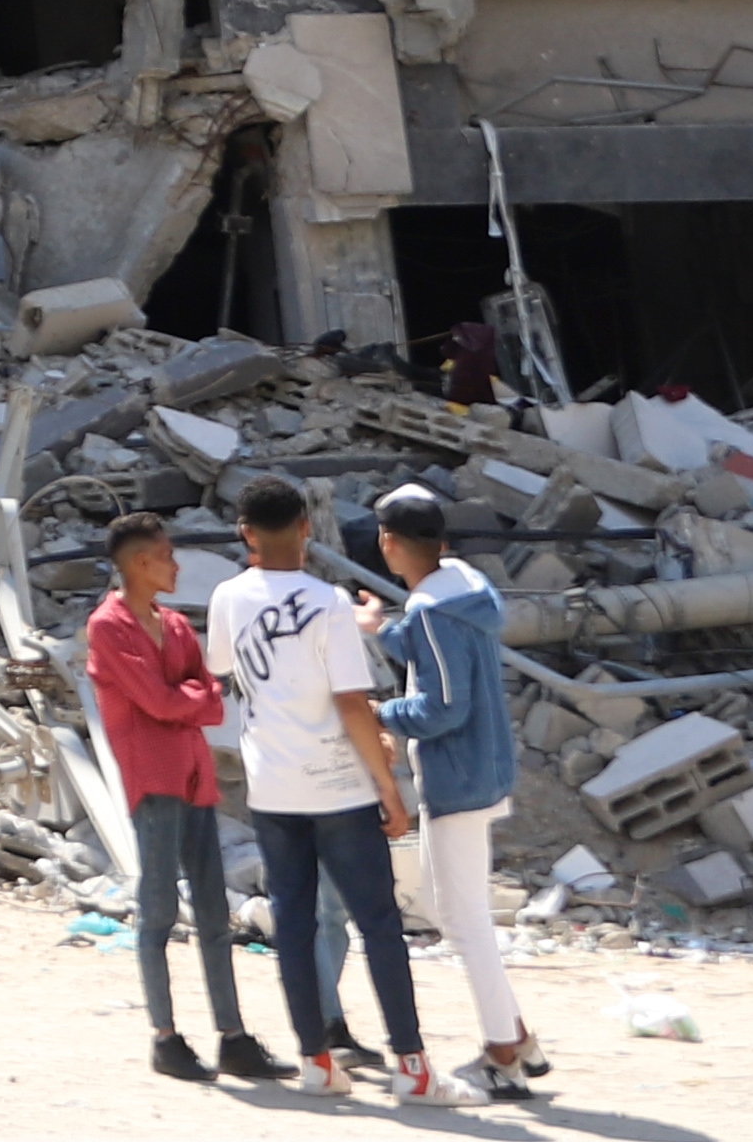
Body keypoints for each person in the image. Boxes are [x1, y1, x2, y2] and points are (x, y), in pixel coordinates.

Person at [210, 470, 437, 1098]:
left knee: (295, 924)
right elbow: (350, 702)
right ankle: (412, 1067)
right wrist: (388, 786)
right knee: (379, 924)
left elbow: (224, 673)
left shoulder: (228, 597)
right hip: (338, 789)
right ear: (307, 528)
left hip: (272, 789)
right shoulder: (328, 601)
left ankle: (316, 1062)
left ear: (244, 533)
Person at [85, 507, 285, 1082]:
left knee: (214, 911)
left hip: (194, 775)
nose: (176, 565)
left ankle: (232, 1035)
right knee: (158, 911)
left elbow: (209, 697)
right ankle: (166, 1037)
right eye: (168, 556)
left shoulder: (171, 625)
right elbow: (165, 701)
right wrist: (189, 697)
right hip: (153, 779)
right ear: (142, 563)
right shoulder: (109, 625)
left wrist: (187, 697)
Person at [369, 488, 544, 1100]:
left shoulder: (431, 613)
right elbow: (439, 653)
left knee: (461, 920)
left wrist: (380, 713)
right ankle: (517, 1035)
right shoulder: (464, 589)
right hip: (485, 765)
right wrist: (386, 632)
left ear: (389, 543)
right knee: (463, 915)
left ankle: (504, 1052)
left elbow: (442, 706)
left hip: (458, 775)